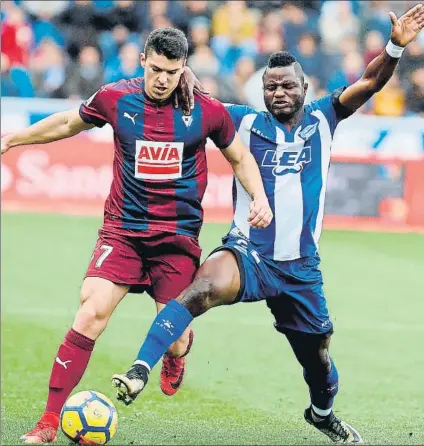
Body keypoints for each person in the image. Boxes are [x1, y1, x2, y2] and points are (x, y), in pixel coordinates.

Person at [112, 5, 424, 444]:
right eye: (270, 86)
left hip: (300, 268)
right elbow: (201, 106)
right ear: (262, 91)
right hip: (248, 253)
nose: (278, 92)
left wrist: (394, 46)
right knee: (200, 289)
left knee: (317, 359)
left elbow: (369, 82)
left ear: (304, 87)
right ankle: (140, 369)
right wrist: (185, 77)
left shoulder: (324, 118)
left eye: (287, 85)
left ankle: (321, 413)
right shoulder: (243, 121)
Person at [1, 28, 273, 444]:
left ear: (184, 69)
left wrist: (259, 197)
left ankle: (176, 355)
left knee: (177, 338)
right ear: (143, 60)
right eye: (157, 69)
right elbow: (68, 123)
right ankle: (49, 421)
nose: (162, 79)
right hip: (123, 230)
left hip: (177, 239)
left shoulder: (207, 110)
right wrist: (14, 138)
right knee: (91, 311)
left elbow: (239, 156)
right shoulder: (116, 97)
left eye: (173, 71)